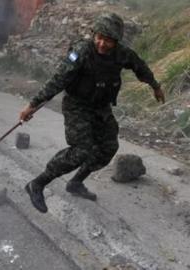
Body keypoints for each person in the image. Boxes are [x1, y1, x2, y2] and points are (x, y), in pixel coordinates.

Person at [19, 12, 165, 213]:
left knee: (108, 147)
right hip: (77, 106)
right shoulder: (82, 51)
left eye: (108, 40)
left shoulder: (122, 54)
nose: (102, 44)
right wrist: (32, 105)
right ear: (93, 33)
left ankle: (76, 182)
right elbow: (58, 79)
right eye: (99, 37)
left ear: (116, 41)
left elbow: (140, 67)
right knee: (81, 150)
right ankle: (37, 184)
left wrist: (155, 86)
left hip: (101, 107)